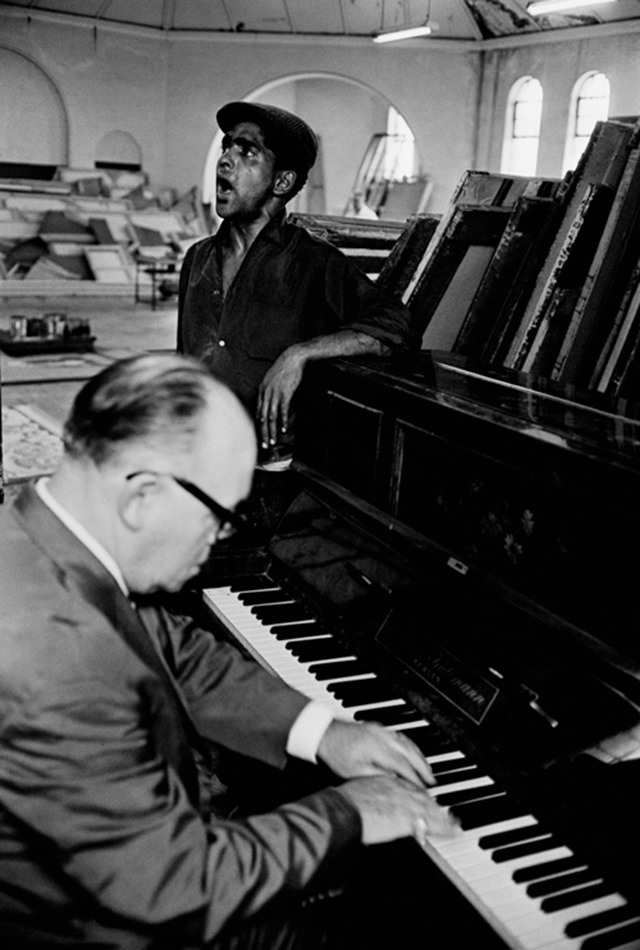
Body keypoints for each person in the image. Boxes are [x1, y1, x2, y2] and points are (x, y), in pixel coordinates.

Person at [0, 353, 457, 949]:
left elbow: (174, 649)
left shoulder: (35, 531)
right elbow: (173, 885)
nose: (221, 536)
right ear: (141, 495)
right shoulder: (62, 656)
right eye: (221, 515)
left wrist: (322, 730)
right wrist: (348, 812)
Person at [177, 101, 414, 536]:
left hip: (266, 484)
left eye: (247, 152)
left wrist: (300, 354)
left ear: (283, 181)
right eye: (227, 147)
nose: (225, 159)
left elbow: (394, 326)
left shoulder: (313, 263)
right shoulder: (196, 260)